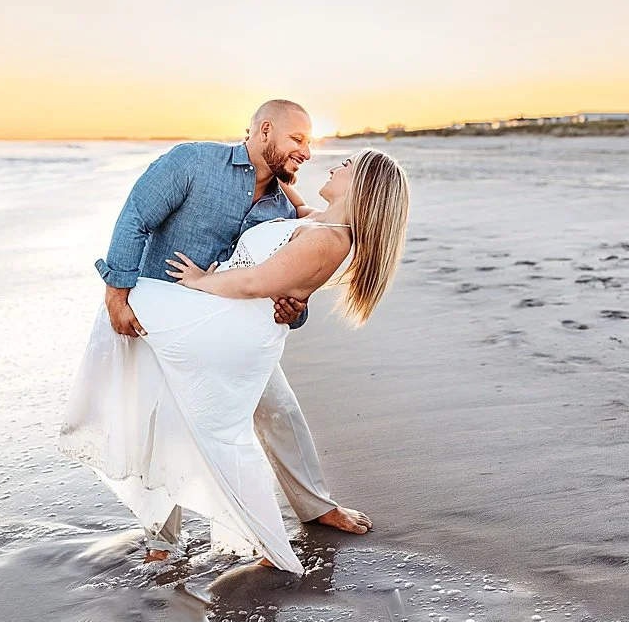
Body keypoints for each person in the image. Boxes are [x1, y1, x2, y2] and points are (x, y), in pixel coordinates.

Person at [61, 130, 409, 572]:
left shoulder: (312, 221)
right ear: (264, 133)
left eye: (347, 165)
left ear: (362, 187)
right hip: (209, 322)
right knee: (175, 414)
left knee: (267, 413)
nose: (312, 155)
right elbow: (135, 218)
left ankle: (311, 507)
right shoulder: (201, 167)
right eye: (296, 140)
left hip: (227, 325)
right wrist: (118, 295)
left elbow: (276, 287)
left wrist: (227, 289)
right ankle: (163, 536)